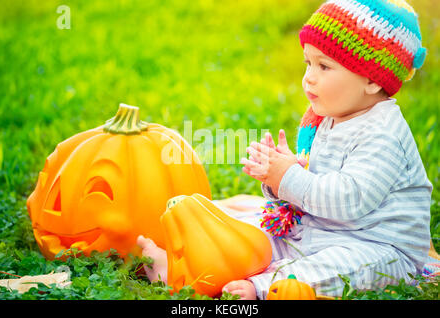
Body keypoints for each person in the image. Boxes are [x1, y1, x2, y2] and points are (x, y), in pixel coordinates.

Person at [137, 0, 433, 299]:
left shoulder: (382, 134)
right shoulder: (330, 117)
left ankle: (262, 286)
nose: (309, 77)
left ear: (372, 79)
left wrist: (288, 177)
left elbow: (348, 200)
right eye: (308, 63)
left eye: (324, 66)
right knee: (254, 230)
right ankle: (187, 259)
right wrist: (277, 176)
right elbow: (310, 185)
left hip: (377, 245)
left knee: (341, 266)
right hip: (320, 229)